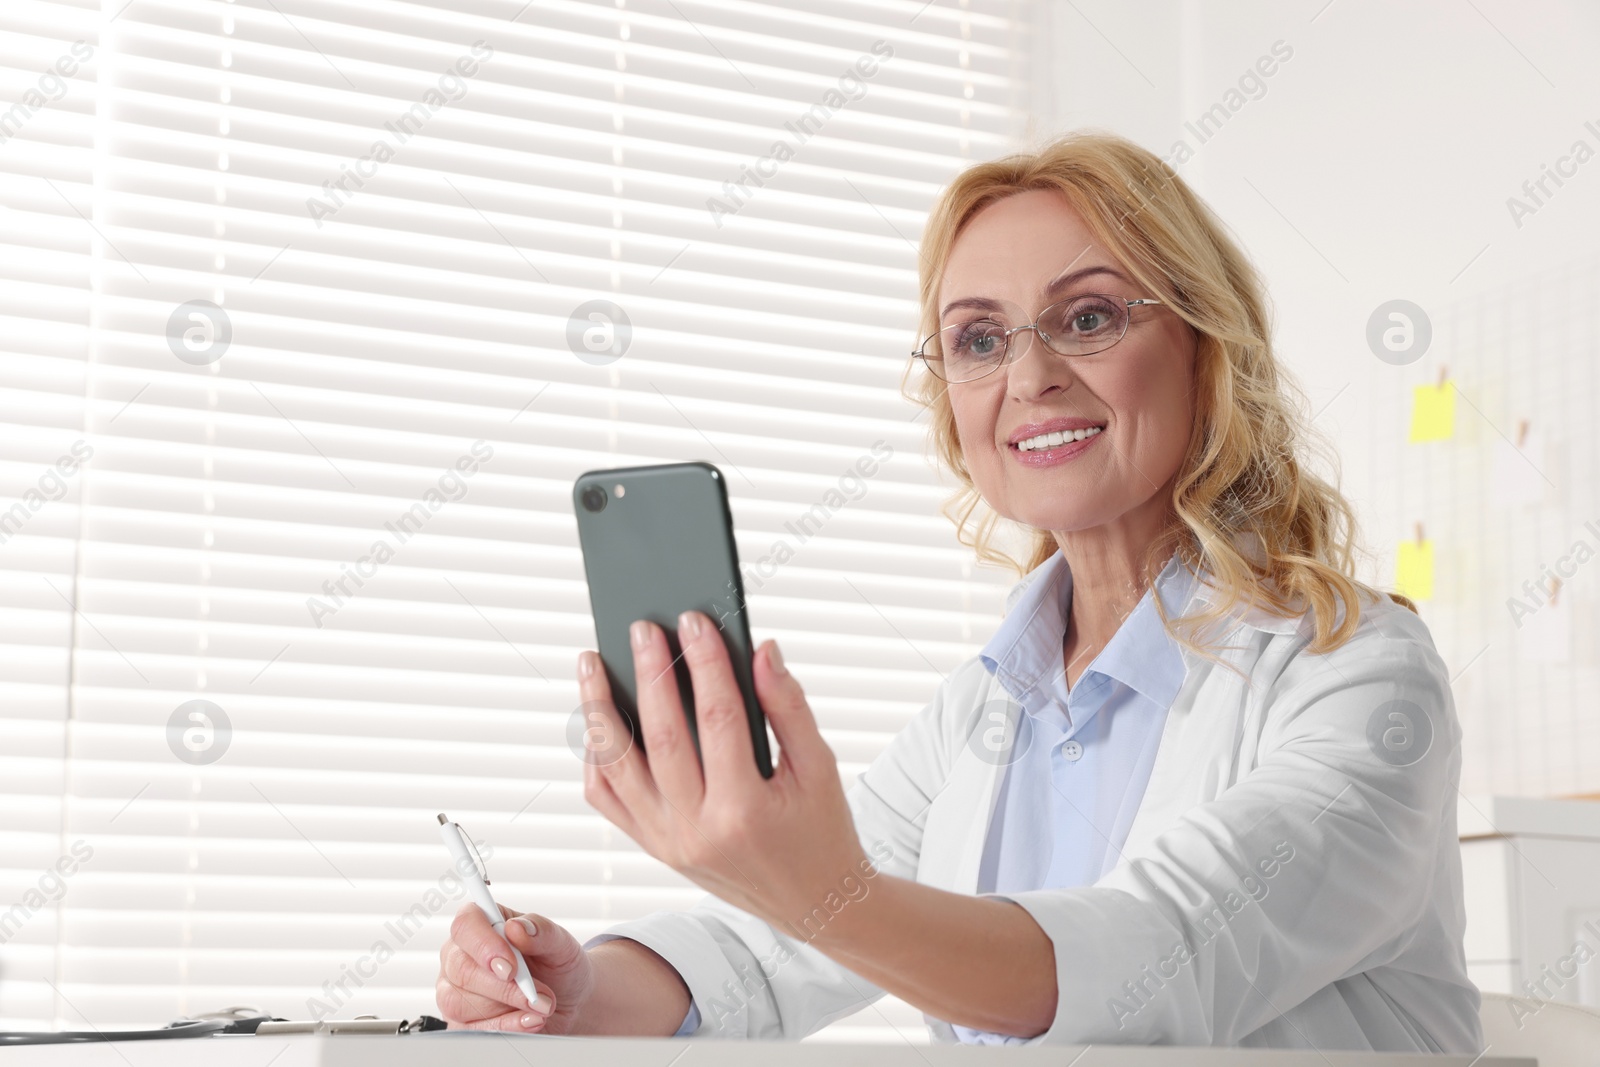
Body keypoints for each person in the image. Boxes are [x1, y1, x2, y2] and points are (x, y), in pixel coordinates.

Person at [433, 130, 1483, 1051]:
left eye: (1087, 318)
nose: (1028, 377)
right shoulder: (987, 707)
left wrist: (820, 886)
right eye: (979, 339)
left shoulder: (1361, 677)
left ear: (1207, 350)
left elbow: (1161, 957)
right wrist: (575, 991)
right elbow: (767, 955)